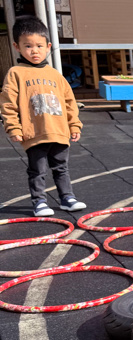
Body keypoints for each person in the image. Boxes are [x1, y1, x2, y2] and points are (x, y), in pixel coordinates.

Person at [1, 16, 86, 216]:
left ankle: (67, 197)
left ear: (48, 47)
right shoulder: (16, 73)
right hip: (34, 132)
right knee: (37, 169)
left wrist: (74, 125)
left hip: (58, 131)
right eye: (28, 46)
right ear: (17, 47)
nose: (34, 51)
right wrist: (13, 127)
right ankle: (39, 202)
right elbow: (8, 103)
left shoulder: (55, 74)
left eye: (39, 46)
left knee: (61, 167)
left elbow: (69, 102)